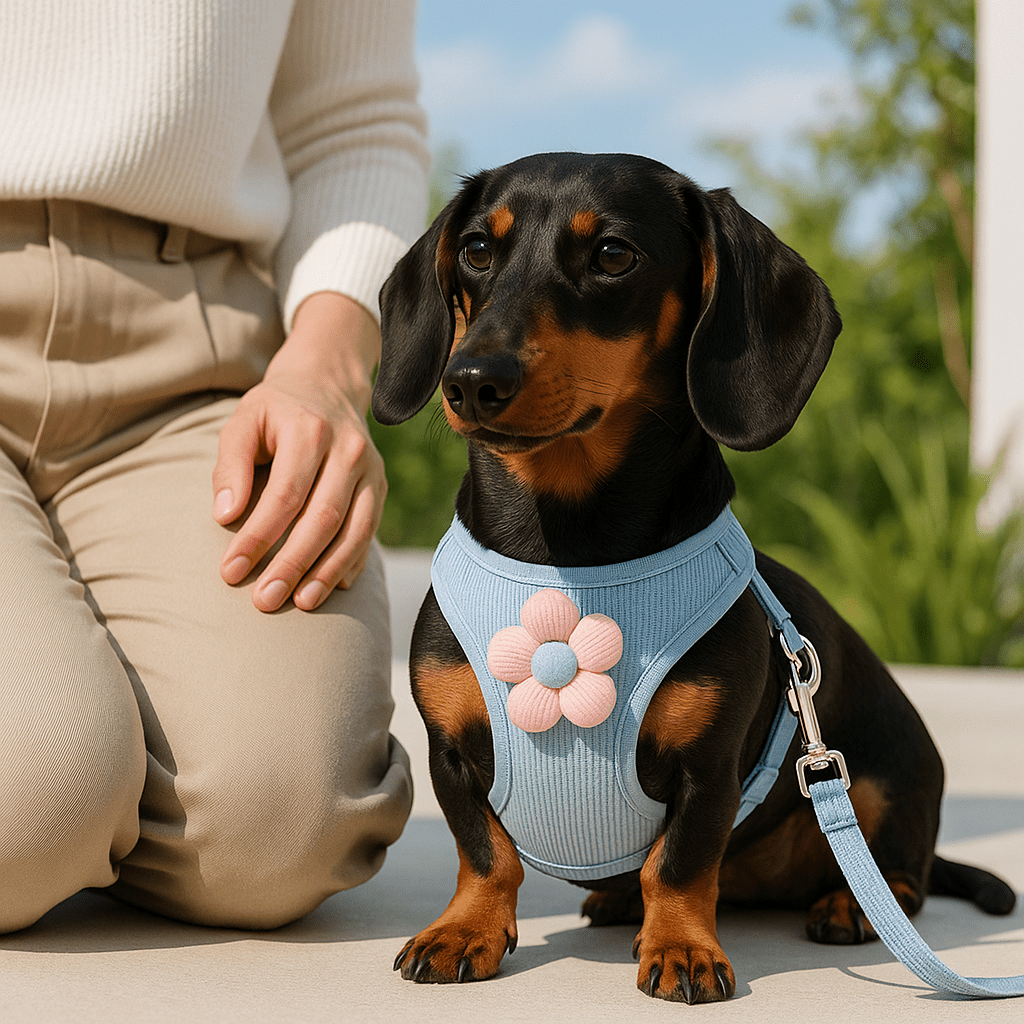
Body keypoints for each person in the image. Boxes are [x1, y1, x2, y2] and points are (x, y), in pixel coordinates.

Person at [0, 0, 429, 932]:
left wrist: (325, 369)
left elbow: (352, 123)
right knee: (26, 806)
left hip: (198, 354)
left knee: (278, 829)